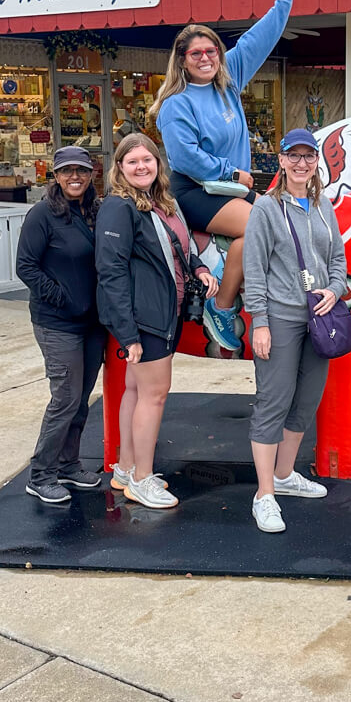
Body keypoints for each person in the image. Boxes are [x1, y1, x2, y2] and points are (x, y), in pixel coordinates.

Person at [150, 0, 293, 352]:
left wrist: (284, 3)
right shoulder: (176, 104)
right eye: (196, 53)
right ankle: (222, 304)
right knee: (259, 226)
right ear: (182, 60)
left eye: (211, 51)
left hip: (233, 187)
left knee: (285, 219)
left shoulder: (228, 83)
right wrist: (233, 172)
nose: (205, 58)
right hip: (196, 191)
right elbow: (186, 159)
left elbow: (255, 42)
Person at [95, 134, 218, 509]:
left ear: (157, 164)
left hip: (165, 310)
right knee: (154, 395)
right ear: (119, 168)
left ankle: (127, 467)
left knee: (135, 391)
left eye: (147, 159)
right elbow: (110, 271)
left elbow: (184, 247)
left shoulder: (164, 202)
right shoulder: (119, 208)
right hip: (144, 318)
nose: (141, 166)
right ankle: (142, 479)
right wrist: (127, 332)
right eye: (132, 162)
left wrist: (198, 267)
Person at [243, 129, 347, 534]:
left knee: (306, 401)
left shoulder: (324, 207)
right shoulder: (267, 210)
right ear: (281, 161)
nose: (302, 163)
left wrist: (335, 289)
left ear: (316, 161)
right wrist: (261, 324)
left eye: (309, 156)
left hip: (317, 319)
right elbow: (254, 269)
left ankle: (285, 475)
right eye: (294, 156)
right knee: (273, 401)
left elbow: (338, 257)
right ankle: (264, 494)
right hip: (282, 317)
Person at [16, 147, 106, 505]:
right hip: (58, 323)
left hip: (93, 323)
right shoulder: (42, 215)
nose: (75, 177)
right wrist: (62, 298)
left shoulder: (95, 212)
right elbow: (26, 266)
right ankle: (41, 474)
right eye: (67, 171)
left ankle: (69, 464)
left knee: (81, 399)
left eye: (81, 171)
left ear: (91, 175)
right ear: (55, 175)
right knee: (65, 398)